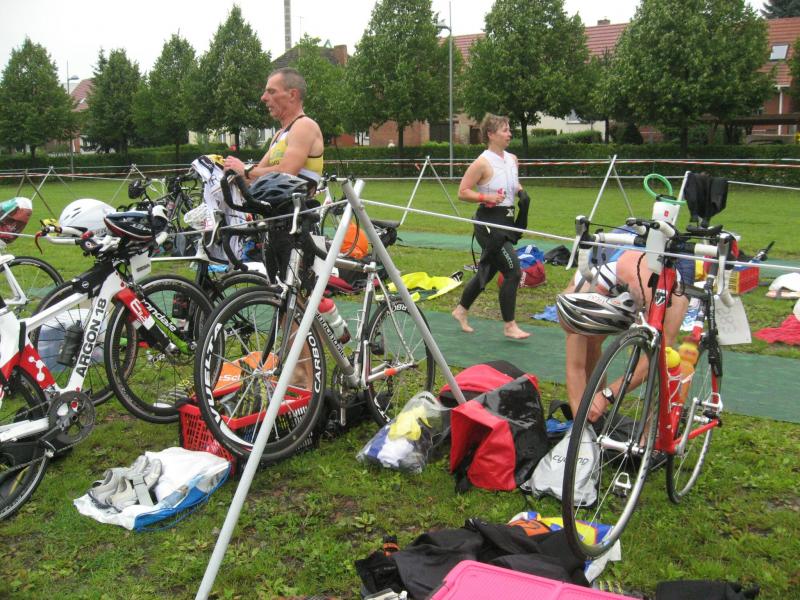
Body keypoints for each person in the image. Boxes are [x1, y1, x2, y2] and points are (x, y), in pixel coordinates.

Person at [558, 249, 689, 421]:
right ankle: (593, 419)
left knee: (663, 361)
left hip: (663, 282)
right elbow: (575, 367)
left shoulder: (661, 295)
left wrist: (608, 395)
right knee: (589, 342)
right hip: (618, 277)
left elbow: (657, 356)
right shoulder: (580, 293)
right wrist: (581, 422)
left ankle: (651, 432)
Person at [451, 114, 530, 340]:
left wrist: (521, 193)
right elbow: (462, 192)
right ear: (491, 134)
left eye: (509, 129)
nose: (509, 134)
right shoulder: (482, 162)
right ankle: (510, 326)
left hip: (506, 223)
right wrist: (484, 197)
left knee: (489, 269)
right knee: (513, 271)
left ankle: (461, 310)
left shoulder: (513, 159)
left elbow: (512, 183)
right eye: (505, 130)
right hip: (487, 225)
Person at [223, 67, 324, 194]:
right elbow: (254, 179)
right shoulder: (279, 135)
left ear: (292, 95)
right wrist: (230, 171)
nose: (263, 98)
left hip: (298, 206)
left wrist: (245, 170)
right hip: (274, 206)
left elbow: (286, 173)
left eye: (271, 91)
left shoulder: (304, 125)